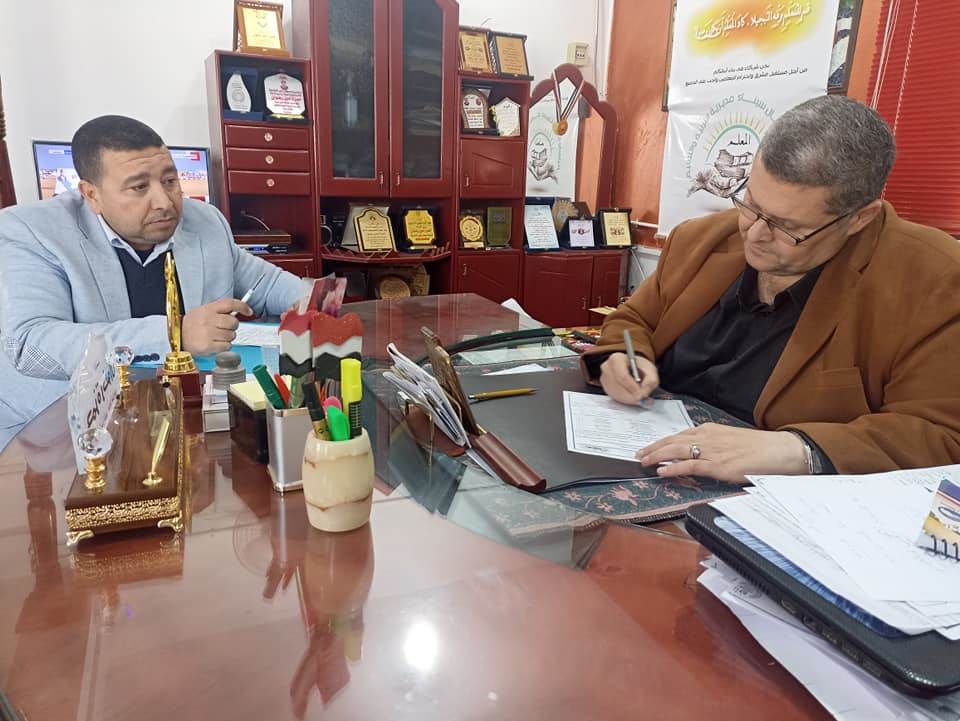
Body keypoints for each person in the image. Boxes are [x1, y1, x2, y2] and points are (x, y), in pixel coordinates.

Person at [585, 95, 960, 482]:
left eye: (788, 227)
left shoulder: (934, 281)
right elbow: (634, 319)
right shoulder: (701, 239)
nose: (754, 234)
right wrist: (620, 356)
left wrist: (799, 450)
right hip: (642, 453)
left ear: (859, 218)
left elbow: (941, 433)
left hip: (775, 495)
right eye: (750, 203)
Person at [0, 115, 302, 438]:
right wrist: (175, 335)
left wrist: (320, 301)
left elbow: (267, 284)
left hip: (184, 415)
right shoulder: (32, 231)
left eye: (170, 181)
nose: (164, 202)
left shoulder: (203, 221)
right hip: (62, 431)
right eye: (139, 187)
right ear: (91, 195)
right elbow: (30, 344)